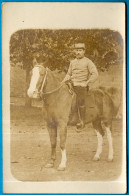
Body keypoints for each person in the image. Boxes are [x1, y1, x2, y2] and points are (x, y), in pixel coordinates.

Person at [62, 42, 98, 130]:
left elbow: (95, 74)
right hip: (71, 84)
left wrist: (87, 82)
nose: (78, 52)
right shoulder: (72, 62)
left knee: (80, 100)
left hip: (81, 85)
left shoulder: (88, 62)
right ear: (74, 51)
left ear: (84, 51)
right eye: (77, 50)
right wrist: (63, 82)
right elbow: (68, 74)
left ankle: (82, 121)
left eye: (80, 50)